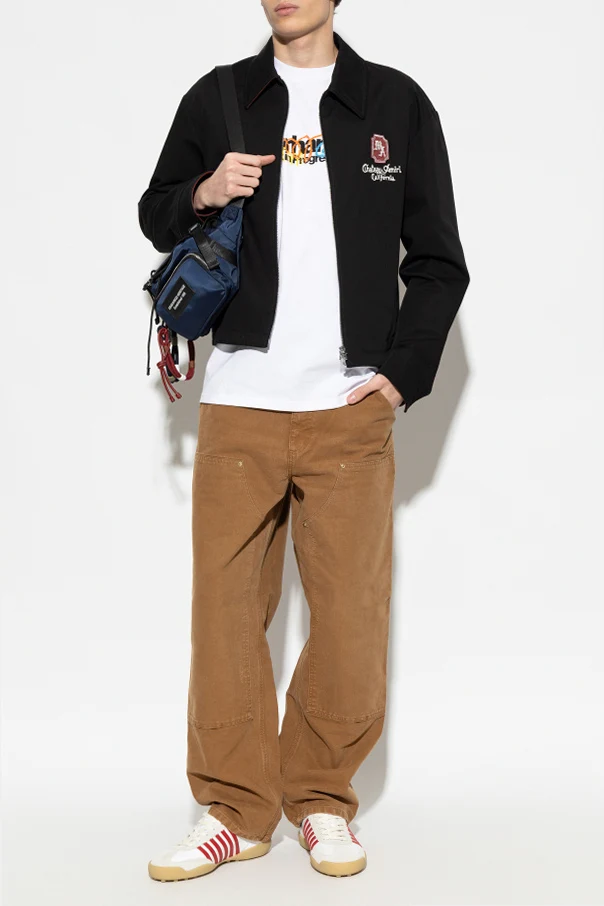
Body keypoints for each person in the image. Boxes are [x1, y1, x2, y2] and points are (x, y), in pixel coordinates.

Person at [138, 0, 469, 881]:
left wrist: (400, 373)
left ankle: (321, 797)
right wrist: (203, 191)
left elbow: (439, 260)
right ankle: (235, 811)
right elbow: (156, 211)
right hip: (240, 403)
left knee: (351, 615)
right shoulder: (220, 98)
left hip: (348, 410)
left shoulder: (394, 105)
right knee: (224, 615)